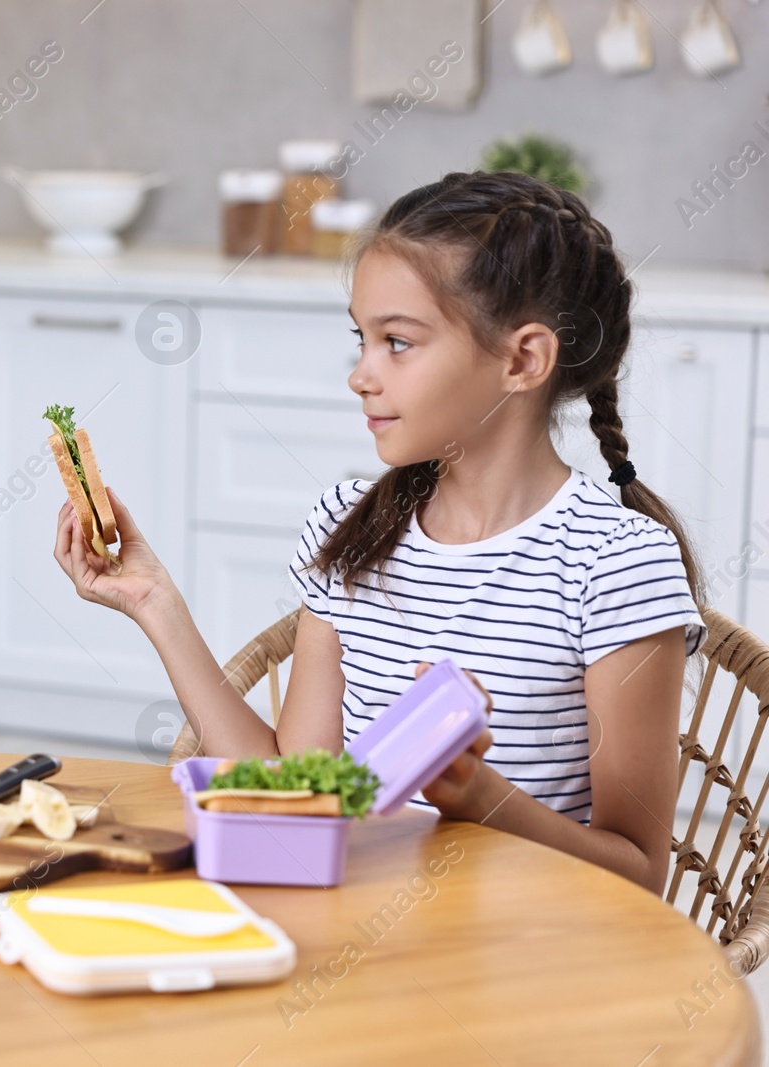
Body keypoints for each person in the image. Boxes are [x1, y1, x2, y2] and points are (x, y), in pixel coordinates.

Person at [54, 170, 705, 894]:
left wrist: (478, 797)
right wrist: (156, 604)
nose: (361, 375)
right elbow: (296, 795)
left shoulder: (617, 564)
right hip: (361, 940)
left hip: (531, 967)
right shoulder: (349, 528)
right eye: (361, 339)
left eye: (397, 343)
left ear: (523, 359)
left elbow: (639, 872)